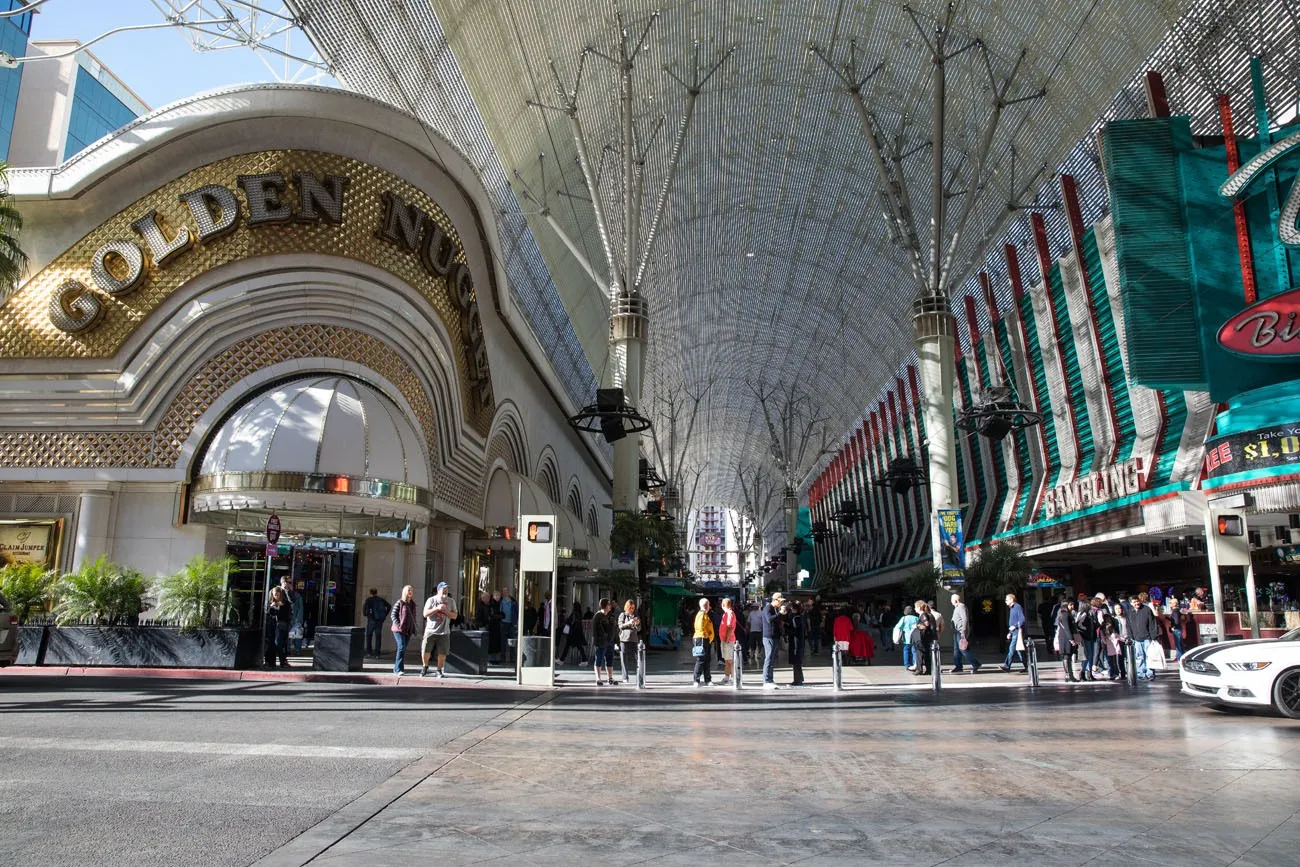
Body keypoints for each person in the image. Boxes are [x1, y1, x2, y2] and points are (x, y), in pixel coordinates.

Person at [421, 582, 456, 678]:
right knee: (426, 651)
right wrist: (437, 608)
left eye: (447, 589)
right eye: (443, 589)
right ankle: (425, 666)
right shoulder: (431, 600)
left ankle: (439, 670)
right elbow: (425, 614)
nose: (445, 590)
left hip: (444, 631)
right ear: (438, 590)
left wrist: (446, 611)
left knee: (442, 653)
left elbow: (455, 616)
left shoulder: (451, 601)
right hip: (431, 630)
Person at [1126, 592, 1159, 681]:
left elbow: (1152, 624)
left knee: (1149, 656)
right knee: (1139, 656)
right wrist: (1130, 636)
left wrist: (1153, 637)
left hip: (1147, 637)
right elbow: (1128, 625)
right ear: (1131, 603)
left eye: (1137, 601)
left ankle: (1150, 673)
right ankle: (1141, 673)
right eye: (1134, 602)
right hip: (1136, 638)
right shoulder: (1129, 612)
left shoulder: (1147, 609)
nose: (1136, 603)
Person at [389, 584, 417, 676]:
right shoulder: (400, 602)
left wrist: (413, 628)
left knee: (403, 649)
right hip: (398, 630)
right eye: (408, 590)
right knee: (401, 647)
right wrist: (399, 625)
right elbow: (393, 615)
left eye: (411, 590)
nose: (410, 592)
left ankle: (399, 668)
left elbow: (413, 617)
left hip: (408, 630)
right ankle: (398, 669)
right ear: (404, 592)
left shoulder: (413, 604)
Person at [949, 593, 980, 673]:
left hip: (960, 631)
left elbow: (964, 619)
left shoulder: (961, 607)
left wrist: (963, 631)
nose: (951, 602)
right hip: (956, 631)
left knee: (963, 649)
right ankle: (958, 666)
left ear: (955, 600)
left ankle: (975, 664)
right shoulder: (956, 608)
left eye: (951, 600)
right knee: (956, 650)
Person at [590, 598, 617, 686]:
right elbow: (594, 630)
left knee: (609, 659)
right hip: (600, 641)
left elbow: (613, 629)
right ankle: (598, 678)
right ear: (604, 605)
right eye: (608, 604)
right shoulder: (597, 616)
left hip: (610, 641)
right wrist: (595, 642)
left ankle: (610, 678)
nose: (610, 606)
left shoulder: (611, 615)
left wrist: (614, 640)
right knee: (599, 659)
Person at [265, 585, 292, 669]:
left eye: (278, 594)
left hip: (281, 625)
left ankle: (282, 661)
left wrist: (280, 607)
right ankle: (271, 662)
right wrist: (272, 607)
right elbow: (268, 614)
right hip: (272, 625)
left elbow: (286, 615)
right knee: (271, 643)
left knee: (279, 643)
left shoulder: (286, 603)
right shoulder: (271, 603)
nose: (276, 596)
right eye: (275, 595)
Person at [1001, 593, 1028, 672]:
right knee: (1020, 651)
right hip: (1014, 632)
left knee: (1012, 648)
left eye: (1007, 600)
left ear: (1011, 600)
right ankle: (1028, 666)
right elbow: (1012, 621)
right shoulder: (1012, 608)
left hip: (1017, 632)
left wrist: (1015, 626)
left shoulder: (1017, 607)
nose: (1005, 601)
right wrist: (1010, 632)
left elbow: (1022, 619)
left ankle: (1007, 665)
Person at [762, 593, 783, 689]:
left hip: (775, 636)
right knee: (769, 658)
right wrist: (779, 613)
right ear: (775, 600)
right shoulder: (768, 608)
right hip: (769, 636)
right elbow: (769, 619)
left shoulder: (774, 609)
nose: (781, 603)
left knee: (772, 658)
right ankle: (766, 680)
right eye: (780, 601)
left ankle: (770, 679)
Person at [362, 588, 390, 658]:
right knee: (378, 637)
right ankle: (377, 654)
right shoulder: (381, 599)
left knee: (369, 636)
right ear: (376, 592)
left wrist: (365, 614)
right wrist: (385, 615)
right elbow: (389, 606)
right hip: (379, 620)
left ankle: (369, 652)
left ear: (370, 593)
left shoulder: (368, 600)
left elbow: (364, 608)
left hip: (371, 620)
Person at [693, 597, 715, 687]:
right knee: (701, 659)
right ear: (706, 605)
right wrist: (706, 634)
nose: (710, 606)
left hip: (705, 638)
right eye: (709, 604)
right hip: (701, 638)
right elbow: (699, 626)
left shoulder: (704, 614)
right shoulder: (702, 614)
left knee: (707, 659)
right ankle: (696, 680)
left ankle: (707, 679)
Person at [618, 599, 641, 682]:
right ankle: (625, 677)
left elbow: (639, 629)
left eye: (633, 608)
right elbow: (620, 626)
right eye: (630, 608)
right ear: (627, 607)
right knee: (623, 658)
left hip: (634, 639)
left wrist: (637, 623)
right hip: (624, 639)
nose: (632, 610)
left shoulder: (636, 616)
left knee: (638, 658)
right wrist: (629, 623)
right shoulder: (623, 615)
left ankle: (639, 675)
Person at [1056, 597, 1079, 682]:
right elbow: (1067, 628)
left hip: (1065, 637)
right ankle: (1069, 675)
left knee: (1067, 656)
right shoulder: (1065, 614)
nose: (1072, 606)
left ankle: (1068, 675)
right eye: (1070, 605)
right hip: (1066, 638)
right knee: (1067, 656)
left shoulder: (1065, 614)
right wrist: (1071, 639)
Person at [281, 577, 305, 653]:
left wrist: (299, 620)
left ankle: (297, 650)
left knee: (297, 635)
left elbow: (300, 608)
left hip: (294, 618)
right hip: (284, 618)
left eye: (290, 583)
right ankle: (287, 650)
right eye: (287, 582)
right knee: (286, 636)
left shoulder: (297, 595)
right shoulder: (279, 593)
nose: (289, 584)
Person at [912, 600, 936, 676]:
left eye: (915, 607)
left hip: (922, 638)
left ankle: (919, 669)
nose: (915, 609)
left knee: (919, 653)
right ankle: (928, 669)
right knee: (925, 654)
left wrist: (916, 626)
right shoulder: (928, 614)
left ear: (919, 607)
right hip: (927, 637)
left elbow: (926, 624)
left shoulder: (923, 615)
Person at [560, 600, 588, 665]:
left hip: (574, 633)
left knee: (575, 646)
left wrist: (567, 622)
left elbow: (571, 622)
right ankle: (562, 659)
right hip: (577, 633)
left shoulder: (575, 614)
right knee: (578, 647)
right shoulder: (579, 613)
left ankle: (562, 660)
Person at [718, 597, 738, 685]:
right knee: (727, 660)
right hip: (725, 640)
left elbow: (729, 627)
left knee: (730, 660)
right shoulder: (727, 613)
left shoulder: (729, 613)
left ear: (723, 605)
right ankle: (727, 677)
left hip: (728, 640)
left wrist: (726, 639)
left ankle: (733, 678)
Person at [785, 598, 805, 686]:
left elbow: (795, 628)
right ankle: (799, 678)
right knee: (797, 661)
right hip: (797, 641)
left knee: (796, 660)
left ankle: (797, 680)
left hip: (795, 641)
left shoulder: (796, 617)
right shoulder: (799, 616)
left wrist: (787, 626)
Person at [893, 605, 919, 670]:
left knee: (906, 650)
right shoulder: (916, 618)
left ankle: (907, 665)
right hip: (914, 637)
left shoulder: (903, 618)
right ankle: (915, 664)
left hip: (906, 638)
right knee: (914, 651)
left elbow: (898, 627)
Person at [1167, 594, 1186, 660]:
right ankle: (1181, 655)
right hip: (1179, 628)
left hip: (1176, 628)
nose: (1169, 604)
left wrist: (1173, 626)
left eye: (1170, 603)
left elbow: (1176, 621)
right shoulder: (1177, 611)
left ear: (1174, 604)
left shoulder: (1175, 611)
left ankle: (1179, 657)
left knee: (1178, 643)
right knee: (1180, 643)